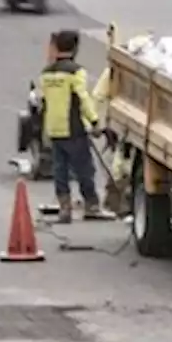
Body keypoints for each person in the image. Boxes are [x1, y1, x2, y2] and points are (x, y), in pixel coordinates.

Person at [39, 30, 116, 223]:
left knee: (60, 170)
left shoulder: (46, 74)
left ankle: (65, 209)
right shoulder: (75, 72)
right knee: (84, 169)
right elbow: (83, 99)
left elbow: (43, 100)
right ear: (75, 48)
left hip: (54, 129)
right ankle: (92, 206)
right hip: (73, 129)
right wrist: (95, 122)